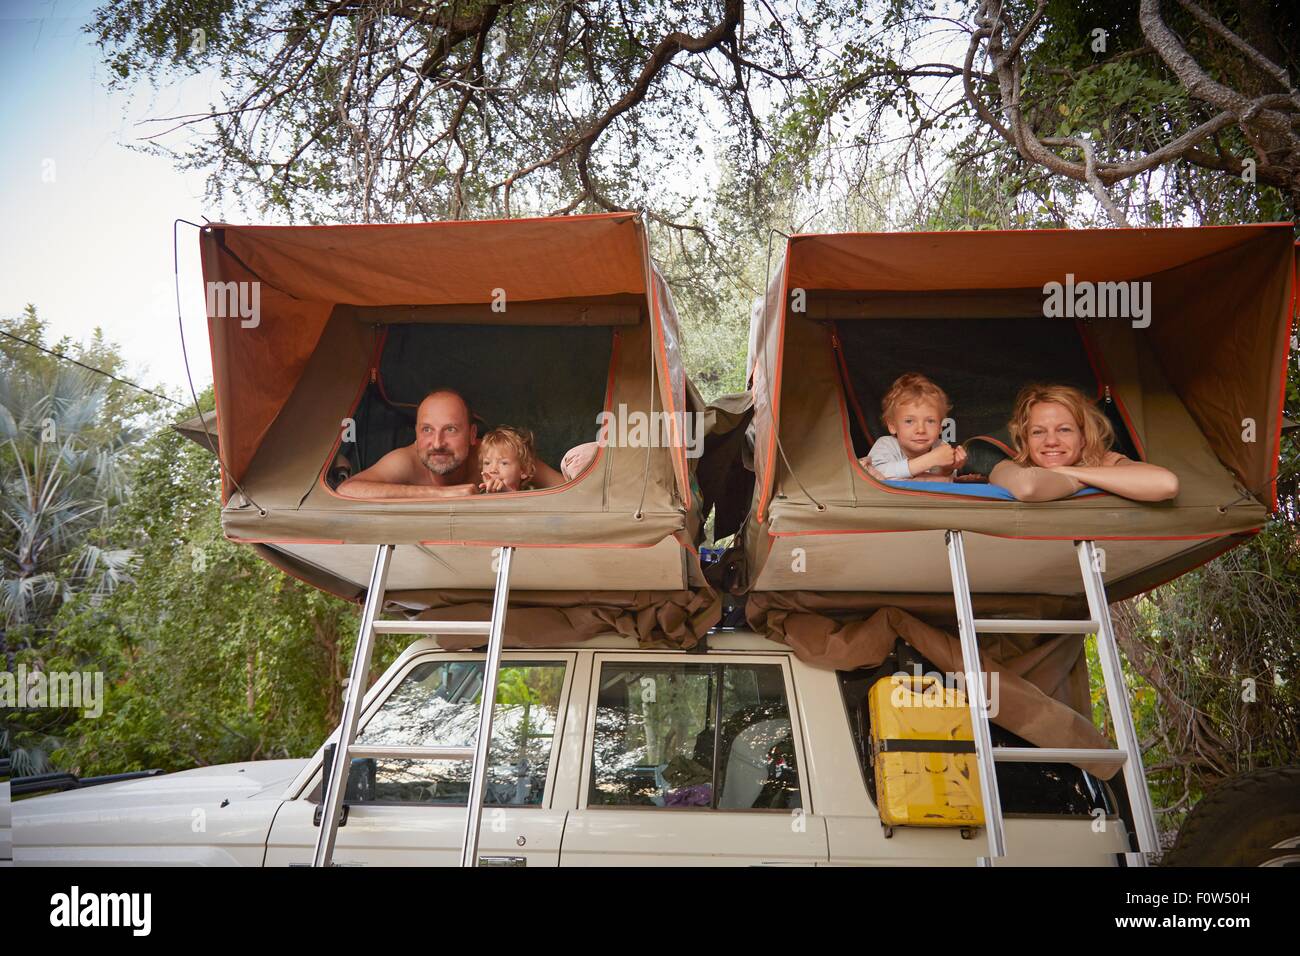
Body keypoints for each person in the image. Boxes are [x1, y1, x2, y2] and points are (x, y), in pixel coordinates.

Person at [337, 388, 570, 498]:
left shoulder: (497, 456)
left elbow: (571, 492)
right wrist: (442, 495)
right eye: (427, 430)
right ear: (417, 434)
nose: (437, 443)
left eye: (450, 430)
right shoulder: (406, 461)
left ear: (472, 435)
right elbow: (348, 489)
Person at [990, 383, 1179, 502]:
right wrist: (1094, 480)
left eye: (1064, 430)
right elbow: (1028, 488)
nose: (1051, 441)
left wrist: (1068, 471)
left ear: (1083, 437)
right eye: (1038, 432)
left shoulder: (1105, 460)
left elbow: (1166, 484)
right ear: (1026, 440)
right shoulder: (1008, 465)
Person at [860, 372, 967, 482]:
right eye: (909, 421)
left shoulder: (940, 446)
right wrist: (929, 460)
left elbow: (942, 482)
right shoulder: (886, 445)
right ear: (892, 426)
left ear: (940, 426)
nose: (921, 430)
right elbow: (876, 475)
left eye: (930, 421)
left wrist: (948, 469)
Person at [477, 426, 538, 493]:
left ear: (524, 470)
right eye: (487, 463)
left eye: (504, 463)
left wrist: (506, 491)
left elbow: (520, 502)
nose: (493, 470)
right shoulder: (480, 494)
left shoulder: (530, 495)